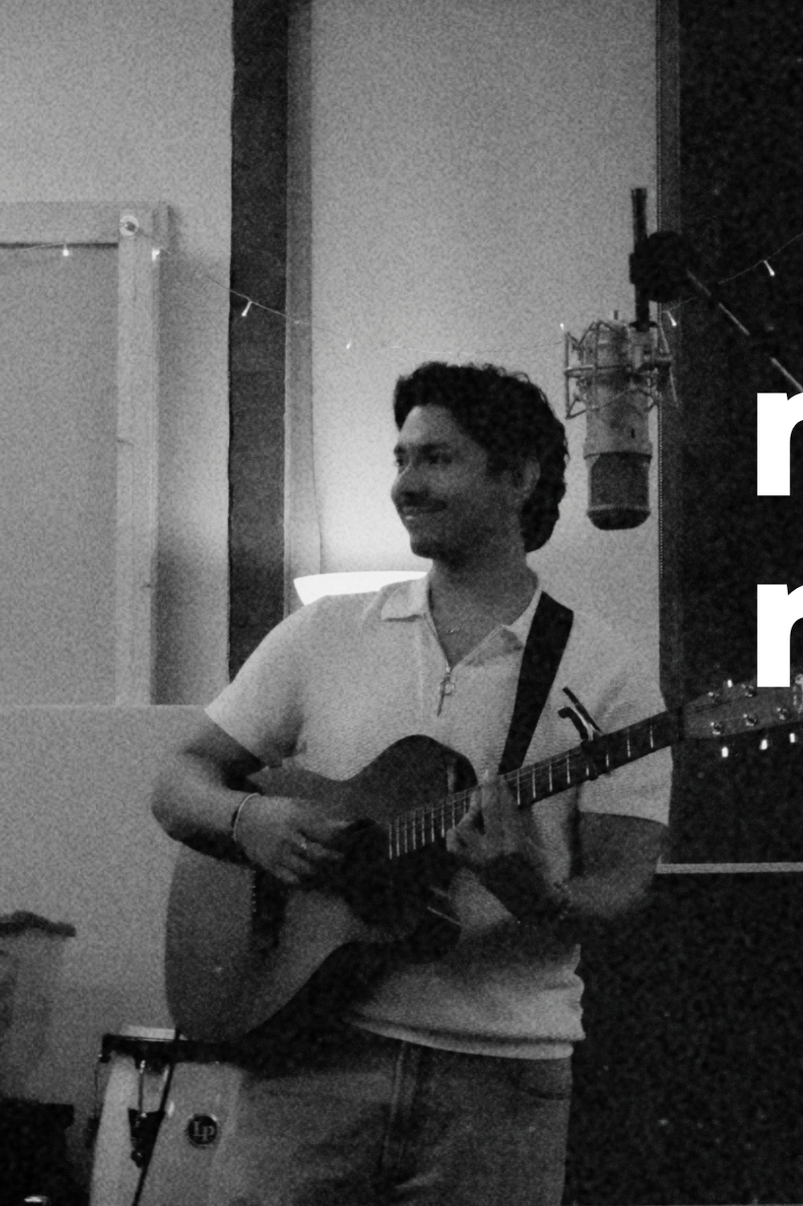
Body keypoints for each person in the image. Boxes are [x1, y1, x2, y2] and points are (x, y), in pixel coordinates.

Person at [150, 361, 671, 1205]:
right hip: (308, 1059)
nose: (405, 484)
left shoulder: (607, 674)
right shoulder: (324, 634)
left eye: (437, 459)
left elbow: (621, 887)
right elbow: (179, 781)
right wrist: (252, 822)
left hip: (501, 1083)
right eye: (402, 459)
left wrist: (533, 891)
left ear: (519, 476)